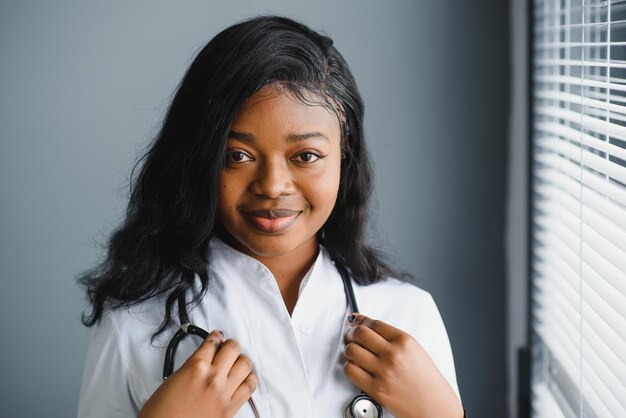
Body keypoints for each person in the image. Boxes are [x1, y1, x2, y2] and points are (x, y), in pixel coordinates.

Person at [77, 15, 465, 418]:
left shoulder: (407, 314)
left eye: (306, 156)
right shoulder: (131, 324)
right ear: (199, 159)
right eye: (238, 156)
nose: (272, 186)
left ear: (344, 157)